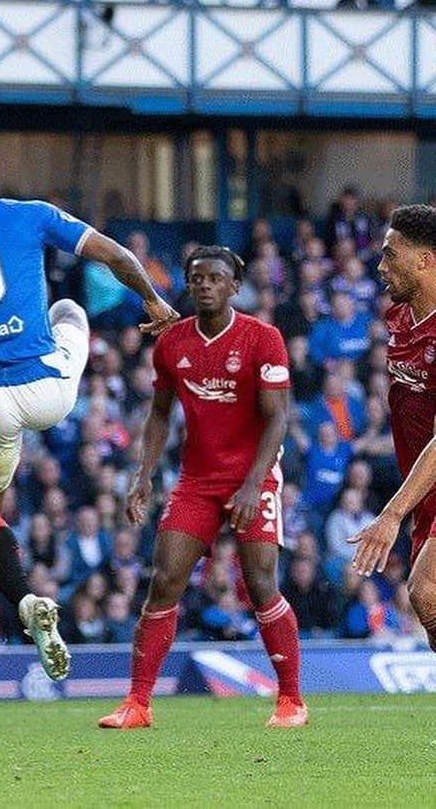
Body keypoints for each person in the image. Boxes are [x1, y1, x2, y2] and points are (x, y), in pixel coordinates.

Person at [0, 141, 177, 681]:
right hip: (49, 389)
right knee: (68, 309)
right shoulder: (30, 214)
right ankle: (71, 346)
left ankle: (26, 600)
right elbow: (118, 257)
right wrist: (154, 302)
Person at [99, 246, 307, 729]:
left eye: (215, 278)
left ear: (235, 286)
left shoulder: (263, 338)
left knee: (259, 582)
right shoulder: (171, 344)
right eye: (196, 279)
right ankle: (138, 703)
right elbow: (158, 414)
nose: (205, 285)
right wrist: (143, 474)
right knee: (164, 579)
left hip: (254, 476)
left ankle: (291, 700)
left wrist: (255, 484)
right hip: (196, 480)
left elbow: (278, 419)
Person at [349, 205, 436, 651]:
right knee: (427, 603)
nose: (381, 267)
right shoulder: (398, 321)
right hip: (425, 492)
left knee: (425, 589)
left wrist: (391, 513)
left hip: (422, 489)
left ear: (425, 261)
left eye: (390, 255)